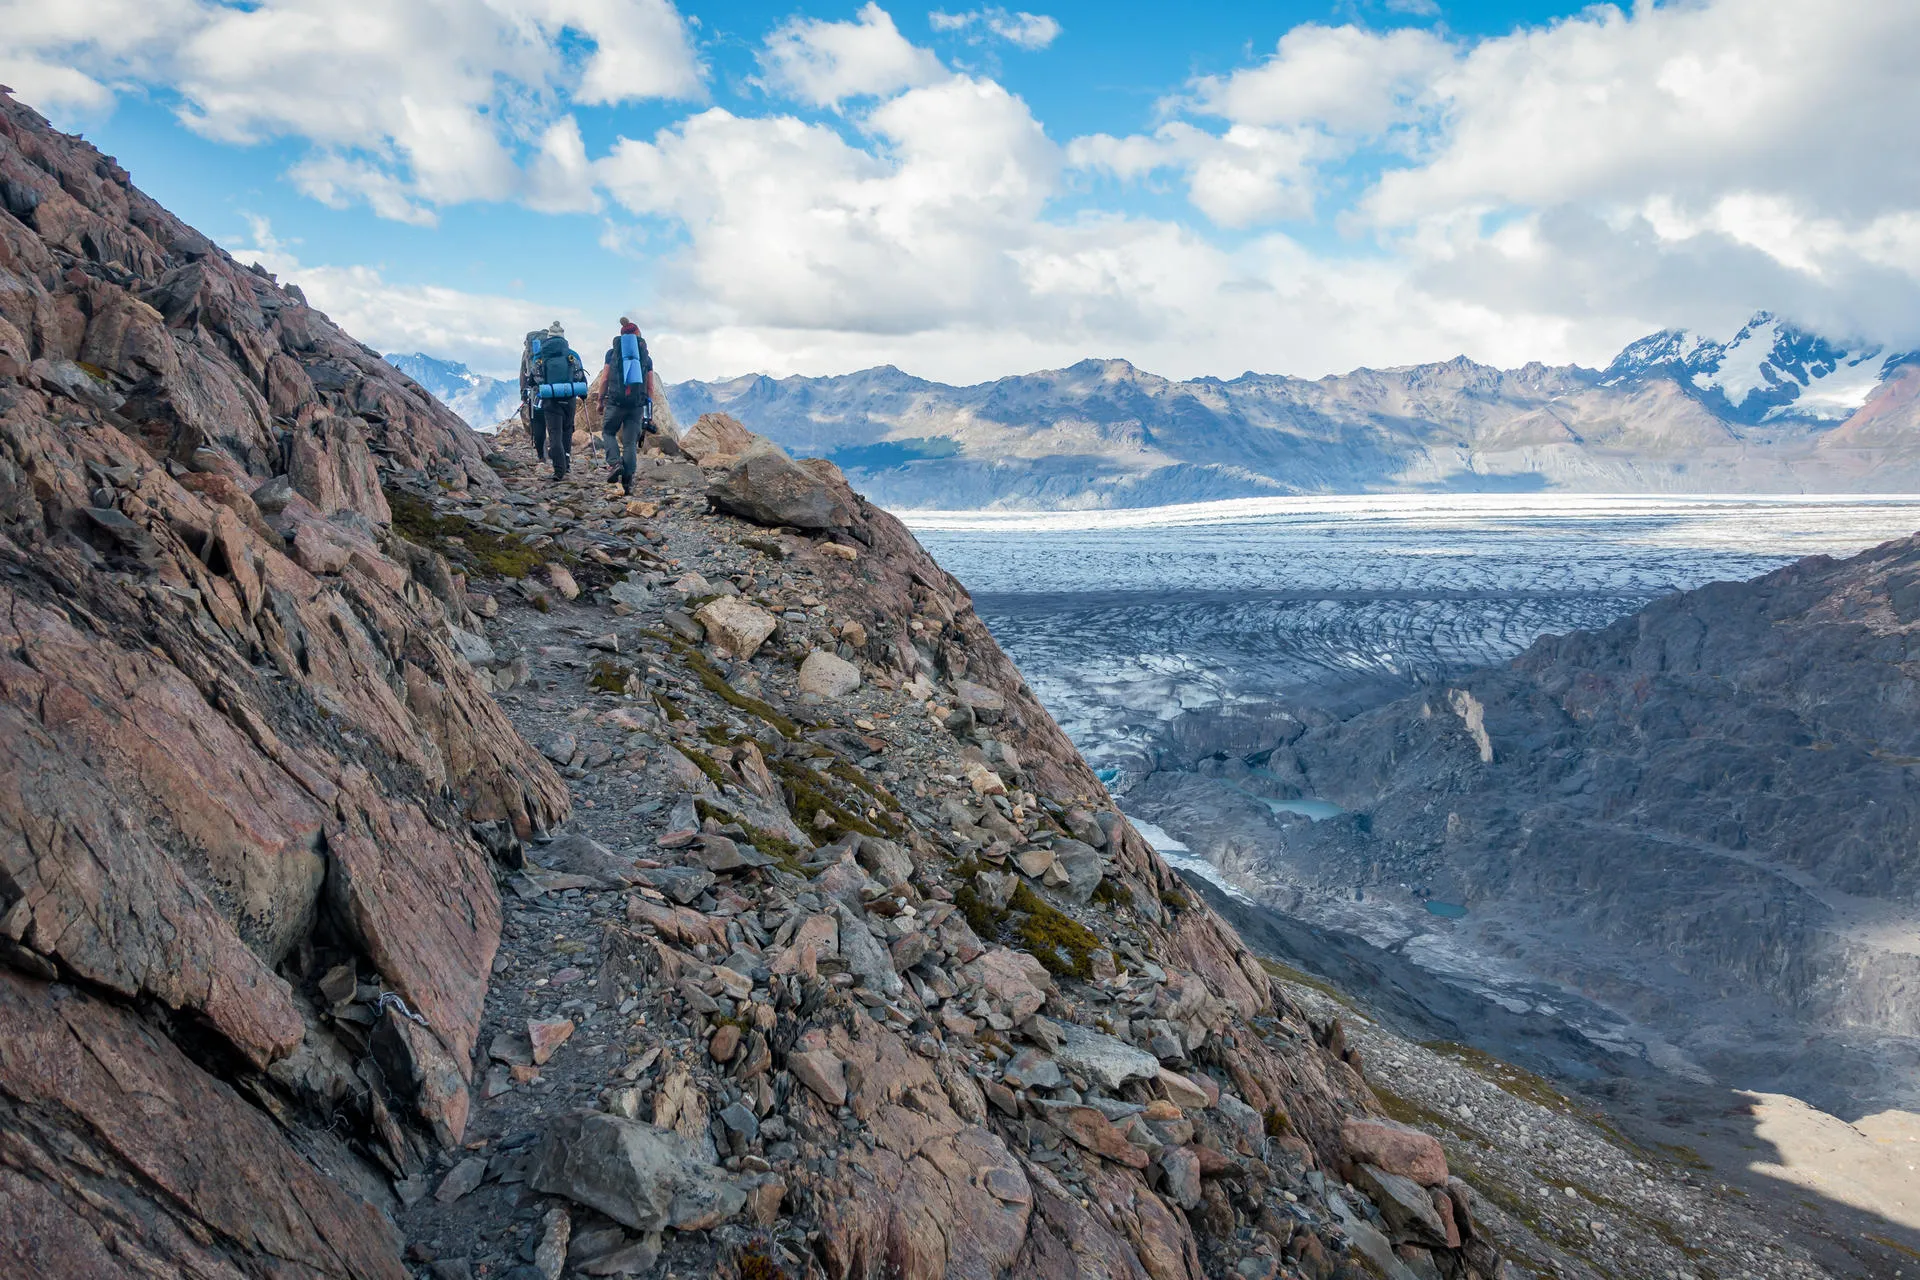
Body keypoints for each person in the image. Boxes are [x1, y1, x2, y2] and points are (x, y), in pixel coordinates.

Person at [601, 317, 659, 495]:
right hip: (636, 404)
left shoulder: (612, 353)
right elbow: (650, 386)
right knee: (630, 443)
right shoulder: (646, 358)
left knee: (608, 432)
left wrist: (599, 400)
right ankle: (627, 482)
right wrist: (648, 410)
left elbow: (604, 379)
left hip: (615, 401)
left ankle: (614, 463)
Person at [529, 321, 587, 480]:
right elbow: (579, 376)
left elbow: (535, 378)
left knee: (554, 433)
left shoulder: (540, 355)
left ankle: (559, 469)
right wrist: (582, 394)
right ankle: (566, 463)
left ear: (548, 337)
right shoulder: (572, 355)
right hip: (569, 398)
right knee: (567, 430)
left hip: (550, 399)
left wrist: (539, 385)